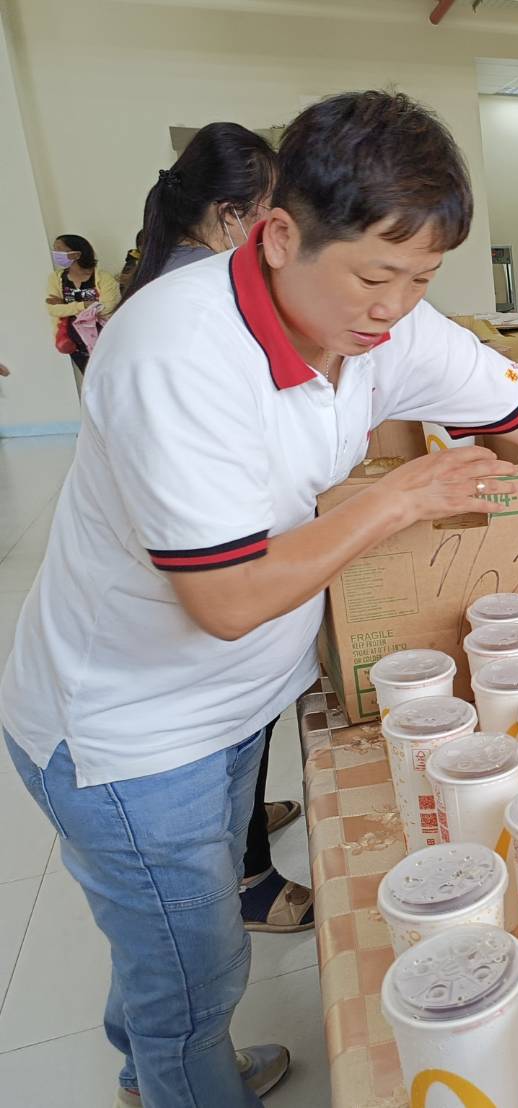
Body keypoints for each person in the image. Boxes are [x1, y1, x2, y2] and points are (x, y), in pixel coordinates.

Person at [0, 89, 518, 1108]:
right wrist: (400, 499)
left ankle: (157, 1059)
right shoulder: (177, 354)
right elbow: (228, 599)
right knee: (192, 966)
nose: (393, 307)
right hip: (125, 724)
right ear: (280, 235)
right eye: (376, 275)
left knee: (166, 942)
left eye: (420, 278)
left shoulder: (382, 329)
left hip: (230, 700)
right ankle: (181, 1070)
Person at [124, 121, 312, 936]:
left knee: (247, 727)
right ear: (237, 220)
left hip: (215, 636)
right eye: (277, 219)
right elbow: (227, 597)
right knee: (182, 952)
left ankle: (240, 831)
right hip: (166, 675)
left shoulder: (197, 287)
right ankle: (246, 877)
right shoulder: (192, 319)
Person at [126, 122, 277, 297]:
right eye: (271, 205)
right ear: (229, 213)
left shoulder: (167, 261)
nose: (276, 218)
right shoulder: (212, 284)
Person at [46, 233, 119, 384]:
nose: (55, 253)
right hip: (76, 346)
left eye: (60, 249)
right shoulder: (56, 279)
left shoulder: (103, 277)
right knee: (93, 383)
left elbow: (107, 306)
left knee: (114, 380)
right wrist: (85, 305)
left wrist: (66, 305)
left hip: (106, 341)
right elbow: (53, 309)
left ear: (76, 254)